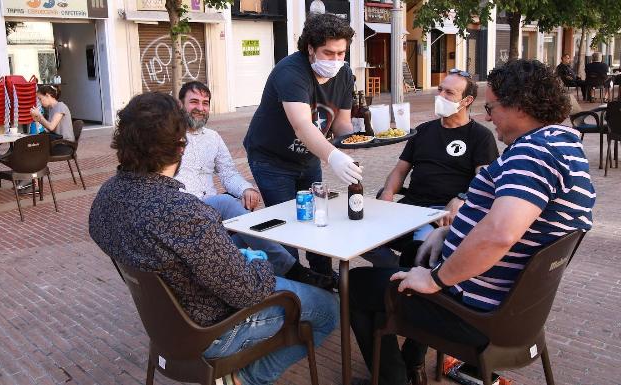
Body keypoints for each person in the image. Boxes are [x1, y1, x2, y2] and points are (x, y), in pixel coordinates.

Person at [349, 59, 596, 385]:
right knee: (412, 257)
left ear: (520, 106)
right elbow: (508, 221)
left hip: (475, 312)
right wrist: (452, 232)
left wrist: (436, 281)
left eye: (491, 107)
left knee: (356, 286)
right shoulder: (561, 145)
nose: (486, 115)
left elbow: (500, 234)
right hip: (514, 309)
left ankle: (392, 378)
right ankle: (410, 358)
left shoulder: (533, 154)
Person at [89, 92, 339, 385]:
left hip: (162, 324)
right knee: (328, 309)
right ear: (181, 146)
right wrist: (259, 263)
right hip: (208, 328)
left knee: (242, 243)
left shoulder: (107, 196)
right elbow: (248, 291)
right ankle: (245, 379)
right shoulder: (182, 213)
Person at [175, 81, 332, 289]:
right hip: (186, 209)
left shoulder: (213, 138)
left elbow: (228, 172)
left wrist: (246, 189)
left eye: (205, 103)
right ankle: (295, 271)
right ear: (180, 104)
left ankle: (284, 283)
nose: (200, 108)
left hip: (212, 216)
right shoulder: (168, 138)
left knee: (250, 230)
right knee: (227, 203)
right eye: (194, 102)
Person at [244, 13, 361, 278]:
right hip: (271, 159)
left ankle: (323, 275)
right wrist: (333, 157)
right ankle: (295, 284)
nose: (335, 61)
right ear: (310, 48)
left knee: (318, 216)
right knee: (288, 225)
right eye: (328, 53)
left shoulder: (344, 74)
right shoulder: (291, 71)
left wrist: (358, 141)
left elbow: (342, 124)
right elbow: (303, 125)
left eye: (341, 53)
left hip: (308, 159)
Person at [365, 69, 498, 267]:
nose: (440, 96)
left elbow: (485, 181)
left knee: (423, 253)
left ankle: (407, 276)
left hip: (442, 214)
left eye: (449, 93)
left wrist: (463, 198)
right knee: (362, 236)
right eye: (440, 90)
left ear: (467, 101)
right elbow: (400, 171)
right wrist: (387, 193)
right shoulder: (423, 131)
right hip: (411, 207)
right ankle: (395, 270)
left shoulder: (480, 136)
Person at [30, 85, 75, 150]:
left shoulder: (60, 106)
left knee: (35, 149)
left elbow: (51, 127)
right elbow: (49, 128)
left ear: (47, 95)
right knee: (32, 145)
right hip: (57, 141)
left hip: (65, 144)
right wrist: (38, 119)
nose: (40, 102)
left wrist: (40, 116)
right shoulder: (51, 109)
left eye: (40, 99)